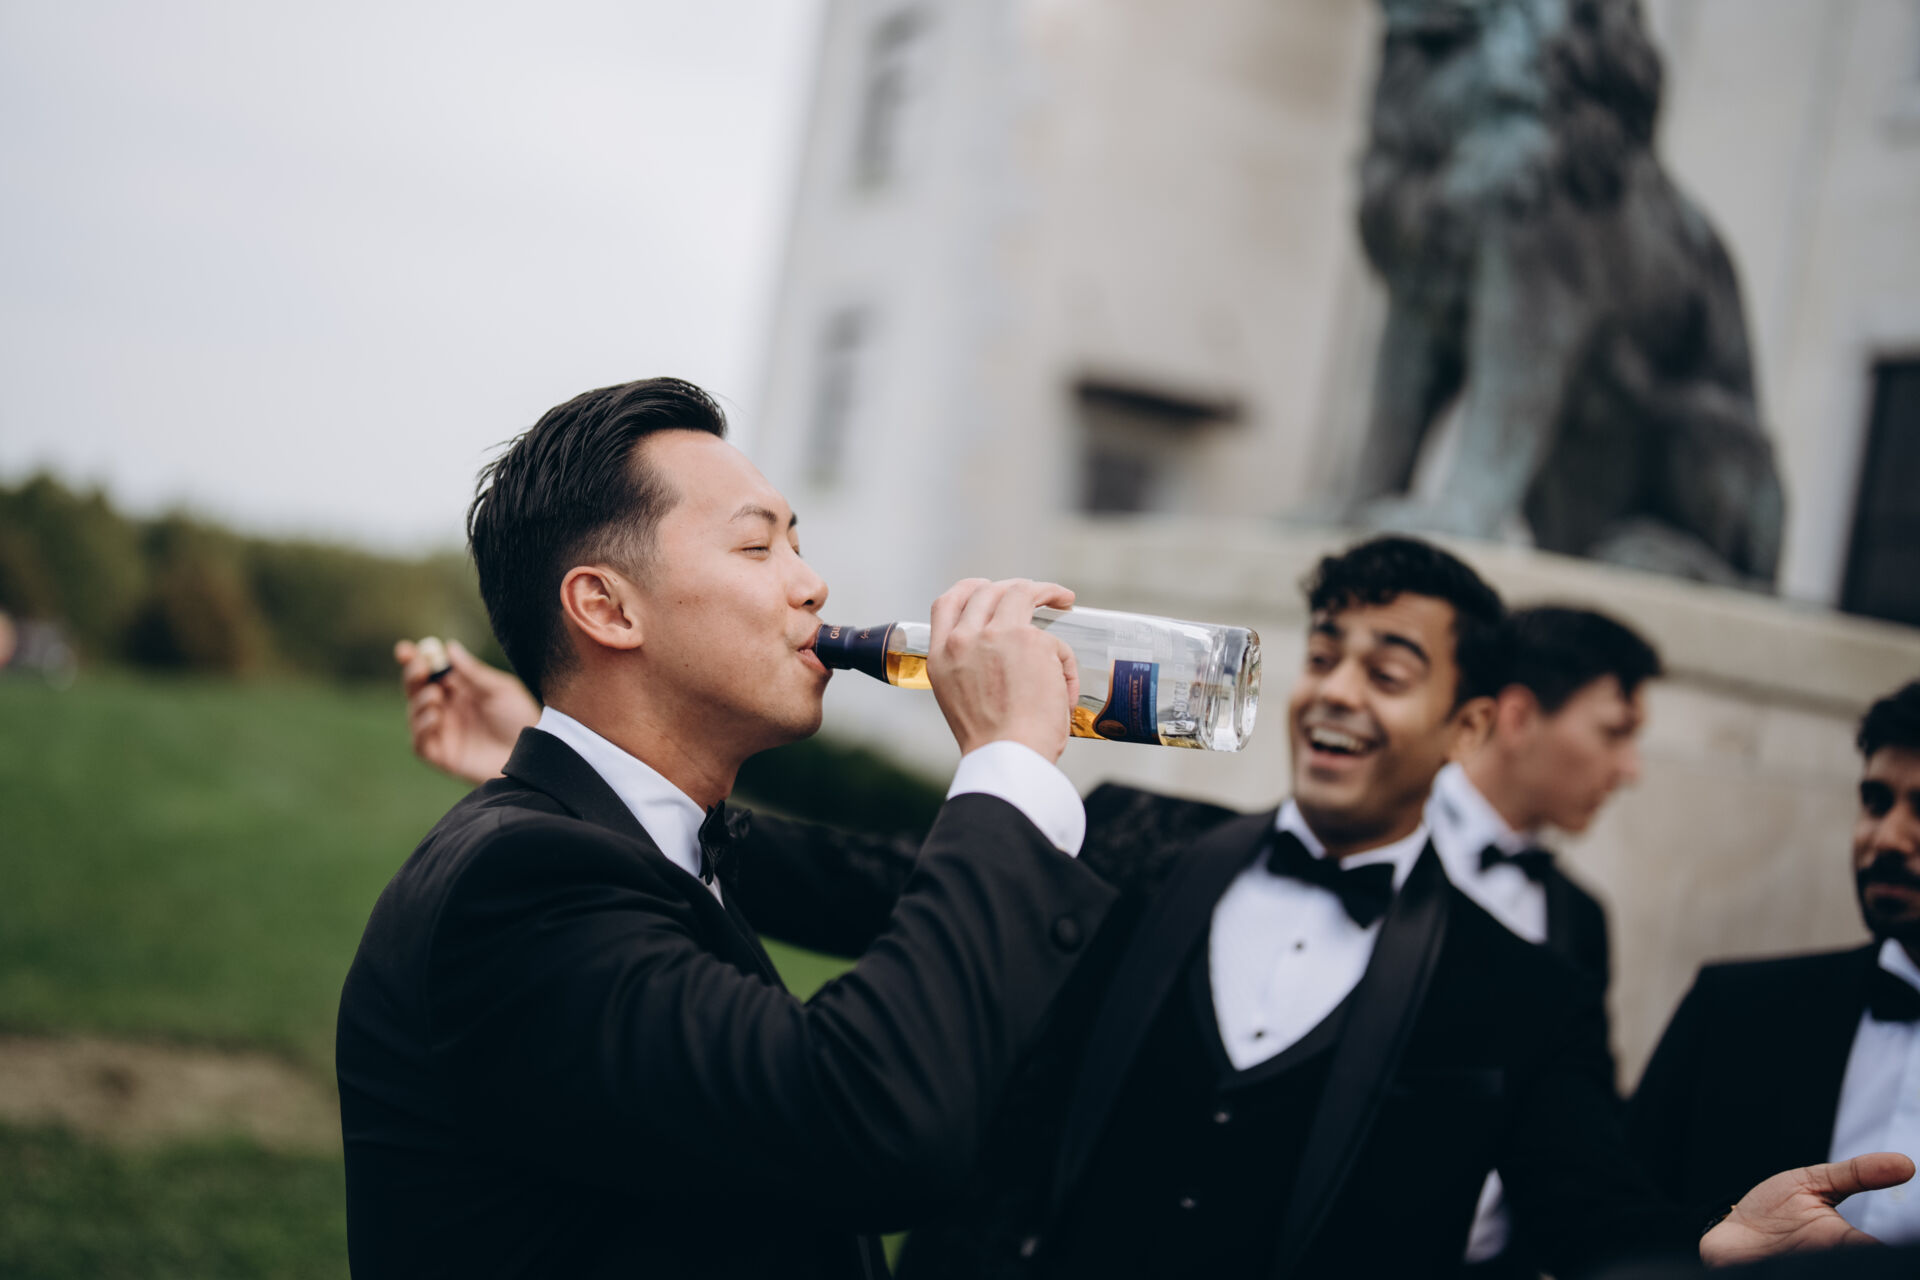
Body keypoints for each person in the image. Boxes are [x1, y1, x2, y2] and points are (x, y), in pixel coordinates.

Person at [393, 536, 1910, 1276]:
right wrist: (607, 767)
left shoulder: (1523, 985)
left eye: (1389, 668)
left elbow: (1588, 1210)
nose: (1334, 689)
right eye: (1326, 652)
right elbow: (876, 887)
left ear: (1468, 726)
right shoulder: (1127, 836)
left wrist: (1710, 1247)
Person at [336, 377, 1117, 1279]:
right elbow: (867, 1118)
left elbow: (867, 887)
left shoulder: (626, 841)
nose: (812, 584)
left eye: (799, 545)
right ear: (607, 609)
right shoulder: (516, 889)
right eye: (757, 546)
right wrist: (1005, 759)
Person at [1629, 679, 1920, 1248]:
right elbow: (1622, 1221)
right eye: (1876, 801)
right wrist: (1714, 1240)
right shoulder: (1731, 1010)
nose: (1888, 838)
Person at [1427, 605, 1662, 1276]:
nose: (1630, 769)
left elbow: (1577, 1130)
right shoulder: (1376, 841)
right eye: (1614, 733)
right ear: (1518, 716)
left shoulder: (1580, 918)